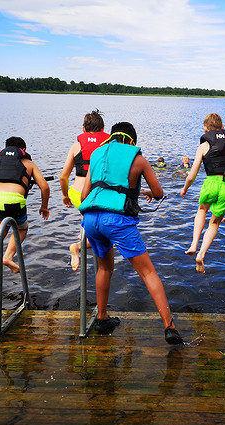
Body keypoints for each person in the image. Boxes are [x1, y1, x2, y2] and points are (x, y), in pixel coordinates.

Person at [79, 122, 183, 344]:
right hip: (116, 220)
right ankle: (169, 327)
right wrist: (142, 191)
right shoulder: (138, 159)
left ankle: (102, 318)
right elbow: (158, 192)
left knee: (105, 268)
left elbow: (84, 195)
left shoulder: (97, 153)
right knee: (148, 273)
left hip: (90, 219)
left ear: (112, 137)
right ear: (132, 141)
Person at [0, 137, 50, 273]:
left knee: (1, 220)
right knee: (22, 228)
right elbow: (44, 187)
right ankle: (8, 256)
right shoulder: (29, 164)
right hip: (12, 202)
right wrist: (44, 207)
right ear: (23, 150)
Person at [180, 113, 225, 273]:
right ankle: (201, 254)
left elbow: (193, 173)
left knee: (202, 210)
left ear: (205, 129)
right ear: (223, 127)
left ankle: (194, 243)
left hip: (211, 182)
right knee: (214, 223)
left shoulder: (203, 146)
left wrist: (185, 188)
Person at [59, 109, 110, 271]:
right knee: (104, 231)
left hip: (77, 195)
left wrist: (65, 195)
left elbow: (63, 177)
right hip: (100, 195)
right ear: (103, 129)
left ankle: (83, 233)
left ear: (83, 129)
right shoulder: (108, 144)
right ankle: (80, 243)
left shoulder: (76, 146)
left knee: (86, 211)